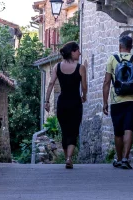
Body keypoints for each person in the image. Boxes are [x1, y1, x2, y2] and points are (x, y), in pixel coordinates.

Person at [103, 35, 133, 169]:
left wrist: (105, 102)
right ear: (131, 47)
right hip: (132, 100)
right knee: (129, 128)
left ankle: (118, 158)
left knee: (118, 131)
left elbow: (106, 82)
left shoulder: (112, 59)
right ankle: (125, 158)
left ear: (120, 46)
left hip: (116, 100)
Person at [44, 41, 87, 169]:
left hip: (62, 103)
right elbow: (84, 86)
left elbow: (51, 83)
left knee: (65, 131)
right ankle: (69, 158)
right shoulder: (80, 67)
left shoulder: (57, 67)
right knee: (74, 131)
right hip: (75, 102)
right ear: (72, 52)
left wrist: (46, 101)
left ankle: (67, 158)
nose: (79, 53)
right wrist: (84, 96)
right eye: (78, 50)